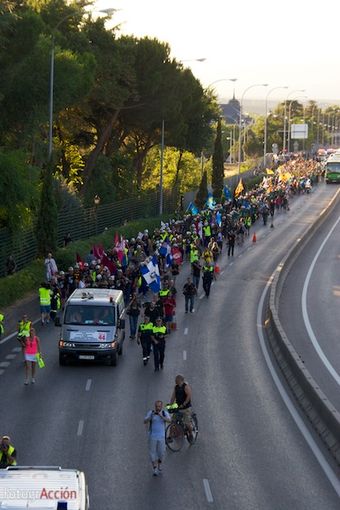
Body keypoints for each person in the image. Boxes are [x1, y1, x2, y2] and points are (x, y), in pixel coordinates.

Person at [144, 401, 171, 476]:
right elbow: (145, 421)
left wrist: (161, 416)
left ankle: (159, 464)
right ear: (155, 406)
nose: (157, 408)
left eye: (159, 406)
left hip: (161, 437)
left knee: (161, 453)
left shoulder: (164, 413)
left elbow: (169, 420)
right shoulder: (151, 412)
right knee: (152, 453)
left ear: (161, 407)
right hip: (153, 436)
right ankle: (155, 468)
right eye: (156, 406)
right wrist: (151, 417)